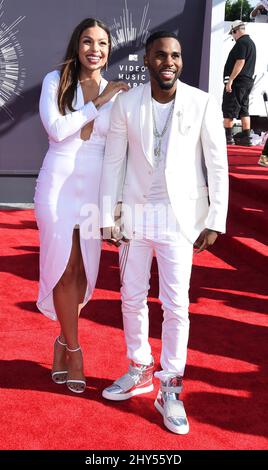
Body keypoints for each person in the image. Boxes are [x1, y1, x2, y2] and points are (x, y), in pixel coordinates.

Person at [99, 31, 229, 434]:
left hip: (179, 218)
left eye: (175, 55)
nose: (168, 61)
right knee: (131, 296)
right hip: (136, 217)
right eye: (160, 55)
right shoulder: (127, 103)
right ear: (147, 59)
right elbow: (114, 161)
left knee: (176, 305)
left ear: (181, 61)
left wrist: (214, 219)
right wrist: (108, 215)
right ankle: (139, 368)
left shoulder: (202, 102)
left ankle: (169, 385)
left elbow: (217, 163)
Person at [34, 18, 128, 394]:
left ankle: (61, 341)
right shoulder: (55, 81)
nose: (95, 49)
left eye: (102, 44)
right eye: (88, 41)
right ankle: (74, 349)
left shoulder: (117, 91)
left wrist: (118, 201)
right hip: (57, 185)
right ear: (77, 45)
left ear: (108, 50)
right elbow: (56, 130)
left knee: (83, 272)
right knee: (63, 266)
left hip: (94, 189)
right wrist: (97, 104)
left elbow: (119, 149)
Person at [222, 20, 256, 146]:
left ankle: (228, 138)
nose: (233, 36)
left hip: (237, 82)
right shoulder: (251, 43)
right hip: (247, 82)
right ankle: (246, 137)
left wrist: (230, 80)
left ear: (236, 30)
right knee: (244, 109)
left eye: (232, 33)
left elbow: (240, 62)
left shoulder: (242, 43)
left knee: (229, 108)